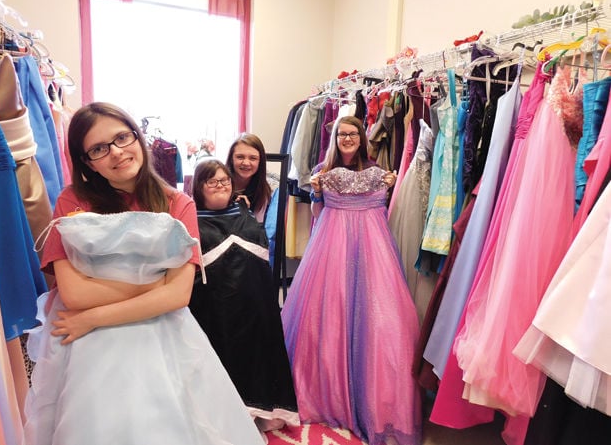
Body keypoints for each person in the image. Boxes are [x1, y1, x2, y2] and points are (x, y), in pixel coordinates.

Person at [23, 102, 264, 445]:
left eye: (123, 137)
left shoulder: (177, 204)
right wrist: (156, 284)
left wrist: (94, 317)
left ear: (138, 137)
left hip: (152, 331)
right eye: (99, 148)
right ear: (85, 162)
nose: (117, 153)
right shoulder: (71, 202)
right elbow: (75, 294)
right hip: (87, 343)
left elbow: (178, 296)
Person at [280, 116, 423, 445]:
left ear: (362, 138)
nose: (347, 139)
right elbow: (316, 214)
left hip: (373, 247)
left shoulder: (379, 171)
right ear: (335, 139)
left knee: (379, 318)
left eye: (352, 134)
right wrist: (317, 193)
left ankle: (374, 398)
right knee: (328, 312)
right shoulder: (322, 170)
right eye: (341, 134)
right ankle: (325, 393)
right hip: (332, 245)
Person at [190, 159, 298, 431]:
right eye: (211, 182)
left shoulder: (243, 208)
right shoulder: (190, 221)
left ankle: (260, 408)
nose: (220, 186)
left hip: (258, 304)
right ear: (199, 186)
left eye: (224, 180)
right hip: (218, 311)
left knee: (261, 356)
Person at [225, 133, 272, 223]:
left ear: (260, 161)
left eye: (253, 158)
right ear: (231, 158)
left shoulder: (264, 191)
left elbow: (257, 228)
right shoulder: (218, 186)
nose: (246, 163)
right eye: (240, 157)